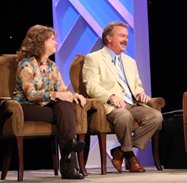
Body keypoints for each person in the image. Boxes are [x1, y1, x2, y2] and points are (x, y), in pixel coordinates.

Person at [82, 21, 163, 173]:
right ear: (109, 38)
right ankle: (130, 156)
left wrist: (140, 93)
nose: (126, 39)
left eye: (126, 36)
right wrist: (110, 96)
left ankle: (120, 151)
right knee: (124, 115)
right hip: (111, 105)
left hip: (132, 103)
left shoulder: (130, 61)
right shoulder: (93, 58)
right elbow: (91, 86)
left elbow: (137, 84)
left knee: (156, 117)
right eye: (121, 35)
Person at [13, 25, 87, 179]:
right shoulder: (26, 64)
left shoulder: (53, 66)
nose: (56, 43)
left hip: (46, 105)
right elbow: (30, 94)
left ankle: (68, 150)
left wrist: (74, 96)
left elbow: (62, 91)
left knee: (65, 105)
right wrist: (56, 95)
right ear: (40, 42)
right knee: (64, 116)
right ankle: (68, 166)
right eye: (52, 39)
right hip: (26, 107)